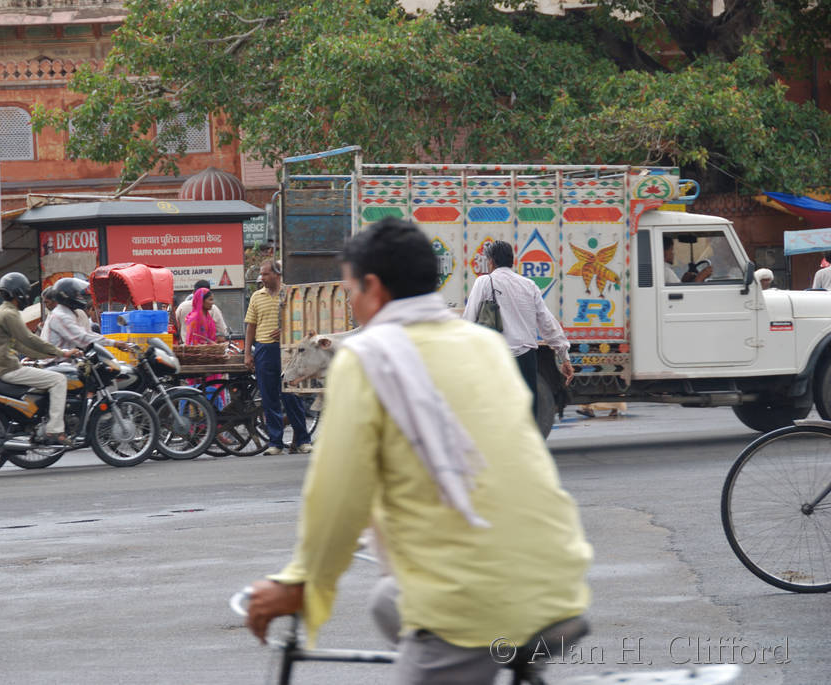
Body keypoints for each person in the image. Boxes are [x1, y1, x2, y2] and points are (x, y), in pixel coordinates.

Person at [246, 219, 592, 685]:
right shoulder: (485, 348)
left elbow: (337, 497)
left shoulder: (366, 360)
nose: (350, 301)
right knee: (387, 602)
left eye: (350, 289)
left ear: (372, 288)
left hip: (472, 599)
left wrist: (300, 581)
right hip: (557, 573)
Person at [462, 240, 574, 418]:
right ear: (511, 260)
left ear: (491, 261)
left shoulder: (484, 282)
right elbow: (547, 323)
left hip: (495, 356)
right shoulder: (529, 285)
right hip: (526, 359)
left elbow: (469, 320)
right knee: (527, 414)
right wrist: (564, 357)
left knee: (496, 413)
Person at [0, 272, 80, 446]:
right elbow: (29, 339)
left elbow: (18, 345)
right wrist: (62, 353)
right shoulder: (10, 314)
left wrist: (46, 355)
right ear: (18, 294)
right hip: (7, 368)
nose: (28, 297)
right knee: (59, 380)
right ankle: (55, 430)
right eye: (26, 293)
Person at [244, 260, 311, 455]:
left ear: (277, 274)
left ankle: (303, 440)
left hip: (288, 350)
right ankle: (275, 443)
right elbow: (251, 326)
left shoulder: (291, 294)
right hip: (264, 350)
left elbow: (303, 321)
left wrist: (285, 330)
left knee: (291, 396)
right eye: (261, 274)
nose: (262, 278)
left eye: (266, 274)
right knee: (269, 398)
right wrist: (247, 353)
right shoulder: (257, 296)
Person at [40, 277, 131, 353]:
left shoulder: (69, 313)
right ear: (67, 295)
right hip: (55, 362)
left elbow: (87, 333)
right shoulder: (60, 316)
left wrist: (114, 342)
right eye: (76, 294)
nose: (80, 297)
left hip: (67, 360)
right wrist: (114, 343)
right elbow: (81, 337)